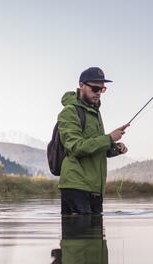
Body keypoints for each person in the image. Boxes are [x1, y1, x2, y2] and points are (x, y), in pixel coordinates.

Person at [58, 67, 129, 215]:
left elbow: (95, 146)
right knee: (79, 236)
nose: (98, 93)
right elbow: (76, 147)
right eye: (94, 88)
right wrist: (108, 138)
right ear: (81, 85)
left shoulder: (95, 112)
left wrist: (114, 147)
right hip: (76, 186)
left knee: (96, 237)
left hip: (95, 188)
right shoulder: (69, 112)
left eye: (102, 89)